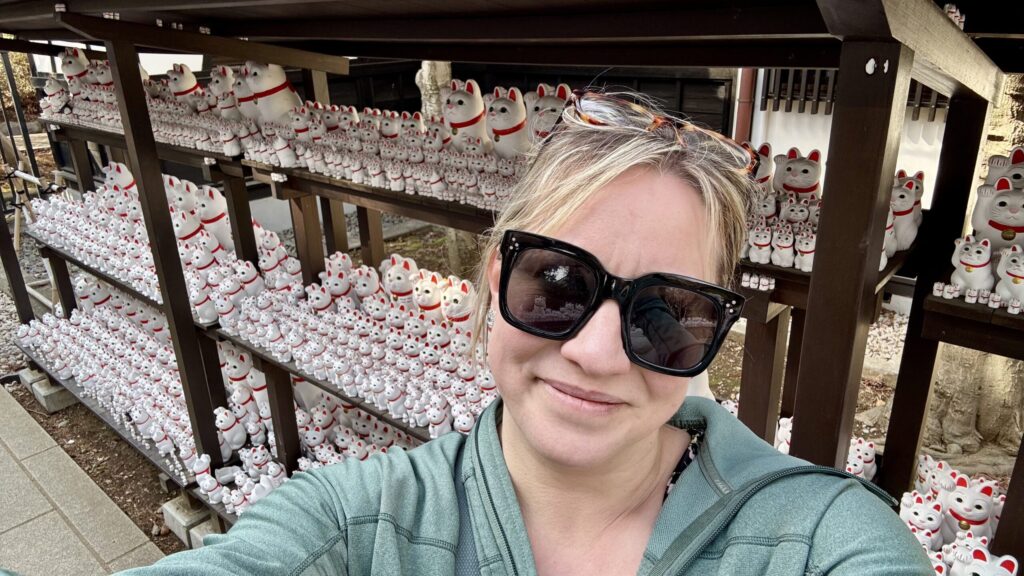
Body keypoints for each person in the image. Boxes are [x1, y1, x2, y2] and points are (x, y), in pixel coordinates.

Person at [121, 89, 931, 575]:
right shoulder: (358, 522)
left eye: (663, 312)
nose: (595, 353)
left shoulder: (816, 539)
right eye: (557, 284)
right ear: (491, 278)